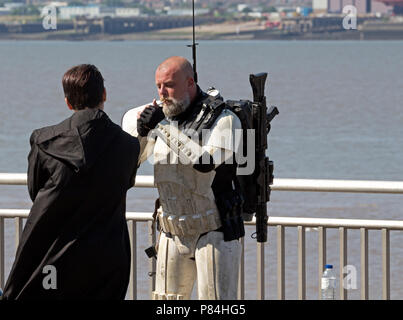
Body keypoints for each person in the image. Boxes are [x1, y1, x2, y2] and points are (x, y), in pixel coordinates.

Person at [2, 64, 140, 300]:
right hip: (108, 256)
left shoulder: (44, 140)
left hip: (56, 253)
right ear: (104, 95)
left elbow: (36, 192)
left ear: (67, 101)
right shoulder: (129, 145)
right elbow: (125, 183)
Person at [123, 56, 244, 300]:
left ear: (190, 82)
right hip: (171, 230)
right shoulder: (159, 117)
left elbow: (205, 164)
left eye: (169, 85)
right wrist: (142, 133)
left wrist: (163, 128)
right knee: (166, 301)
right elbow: (128, 165)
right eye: (158, 86)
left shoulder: (225, 119)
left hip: (214, 231)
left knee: (216, 302)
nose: (162, 92)